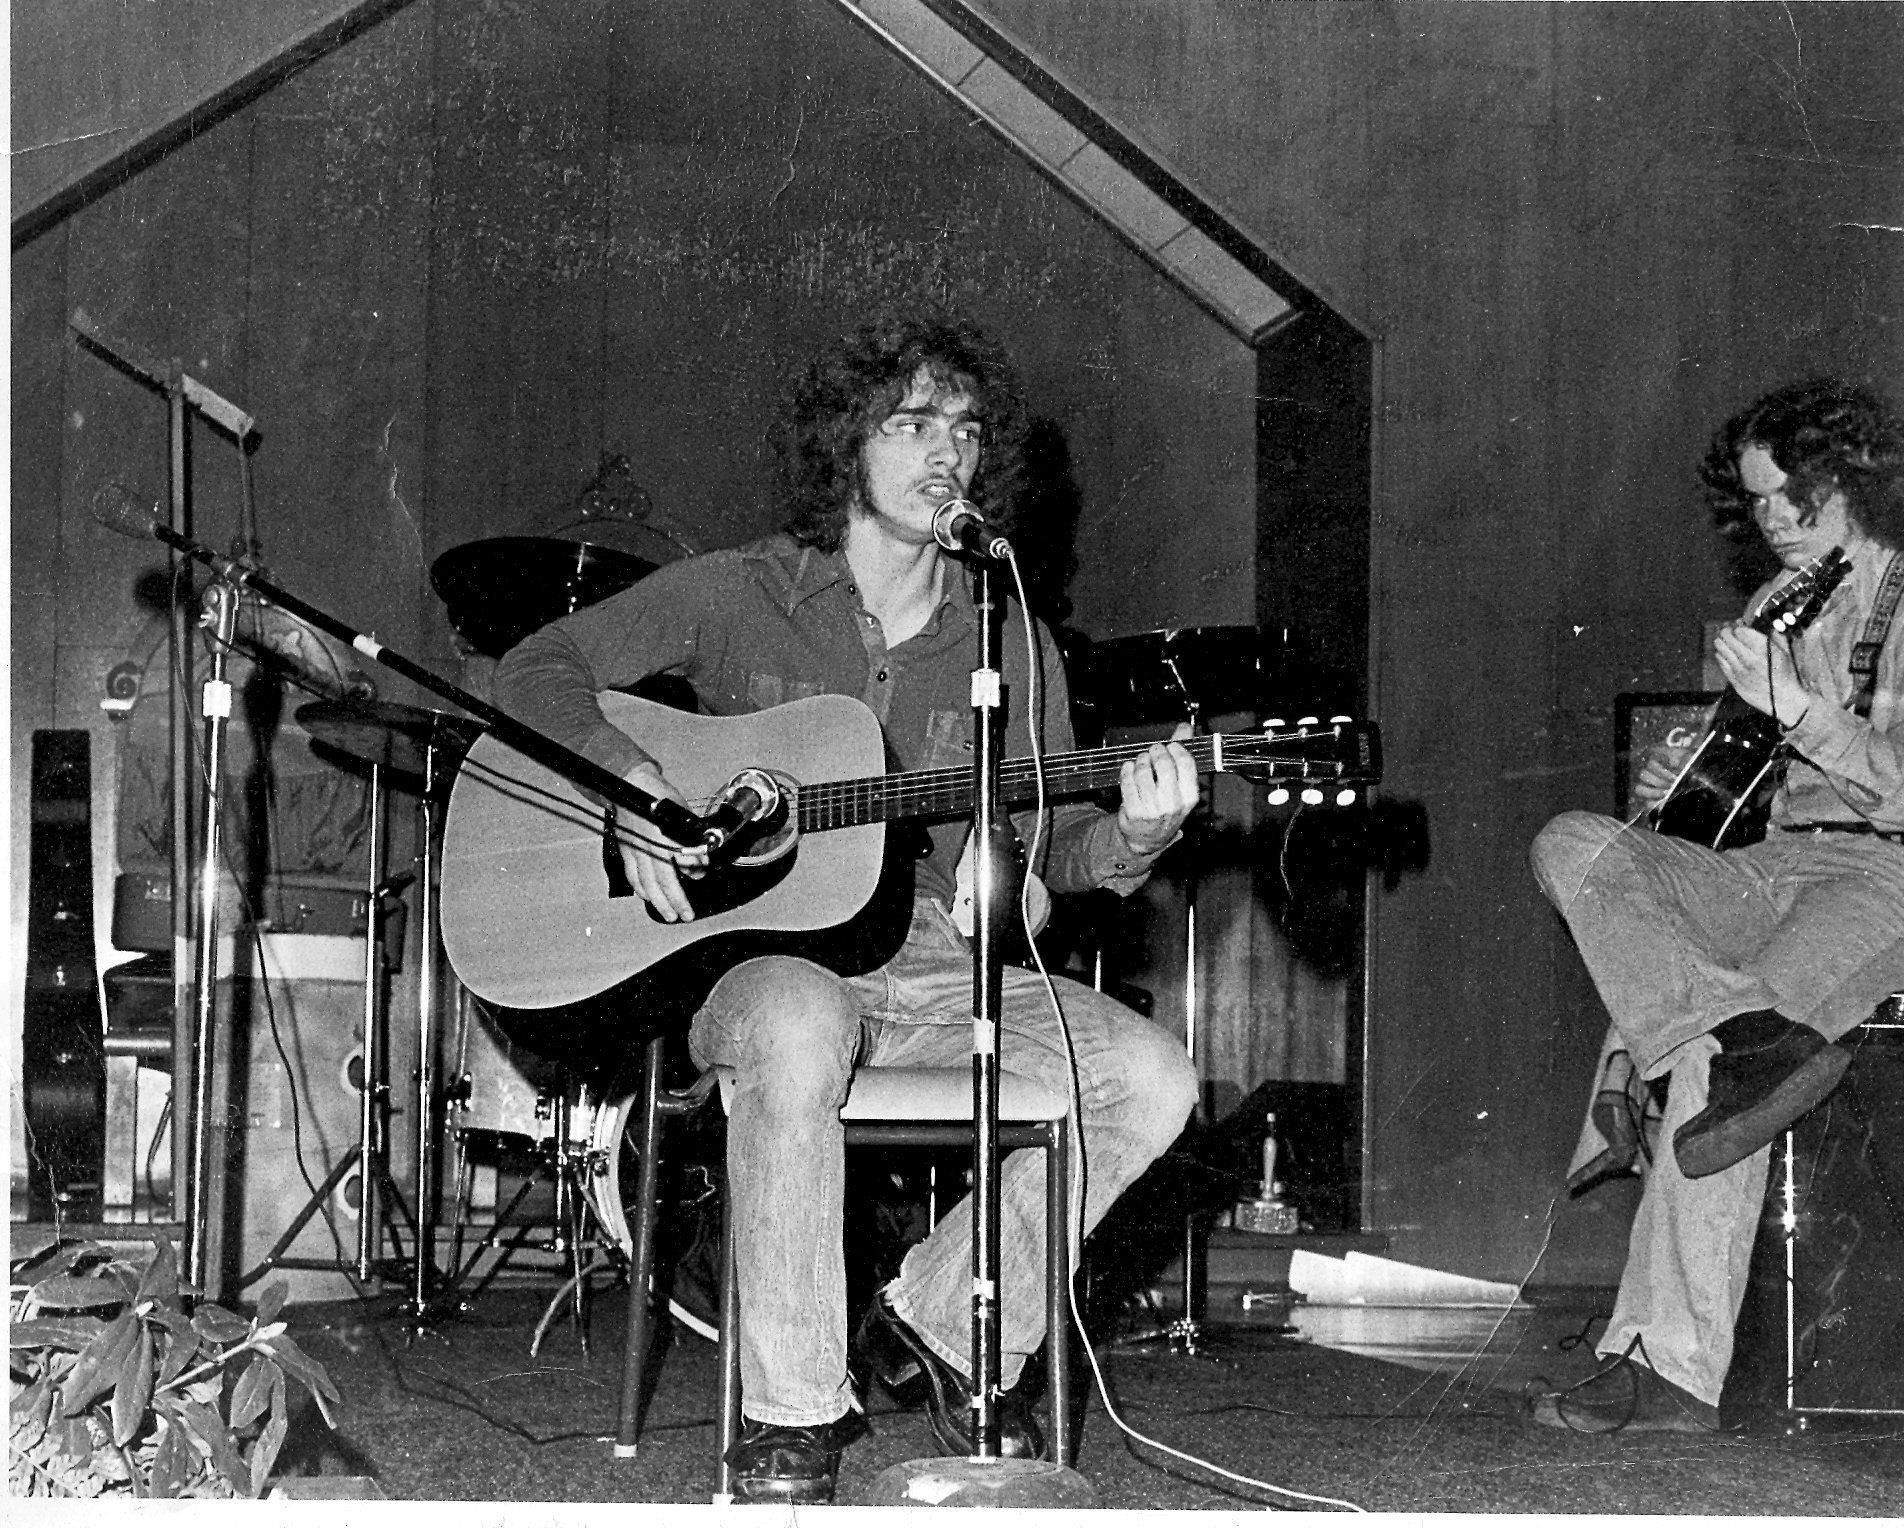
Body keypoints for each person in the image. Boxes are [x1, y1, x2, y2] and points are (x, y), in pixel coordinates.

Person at [494, 313, 1200, 1501]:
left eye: (964, 430)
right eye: (910, 423)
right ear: (845, 444)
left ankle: (938, 1323)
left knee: (1152, 1076)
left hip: (929, 957)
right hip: (753, 964)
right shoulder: (740, 590)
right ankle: (791, 1414)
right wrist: (636, 787)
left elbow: (1051, 842)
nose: (945, 452)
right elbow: (534, 667)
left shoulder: (1011, 639)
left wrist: (1133, 834)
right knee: (796, 1018)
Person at [1530, 377, 1904, 1432]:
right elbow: (1732, 789)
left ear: (1854, 480)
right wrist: (1684, 780)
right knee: (1572, 843)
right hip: (1768, 864)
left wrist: (1799, 708)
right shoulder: (1774, 607)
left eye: (1792, 494)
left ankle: (1664, 1366)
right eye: (1755, 501)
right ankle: (1746, 1032)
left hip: (1883, 876)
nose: (1771, 519)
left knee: (1707, 1058)